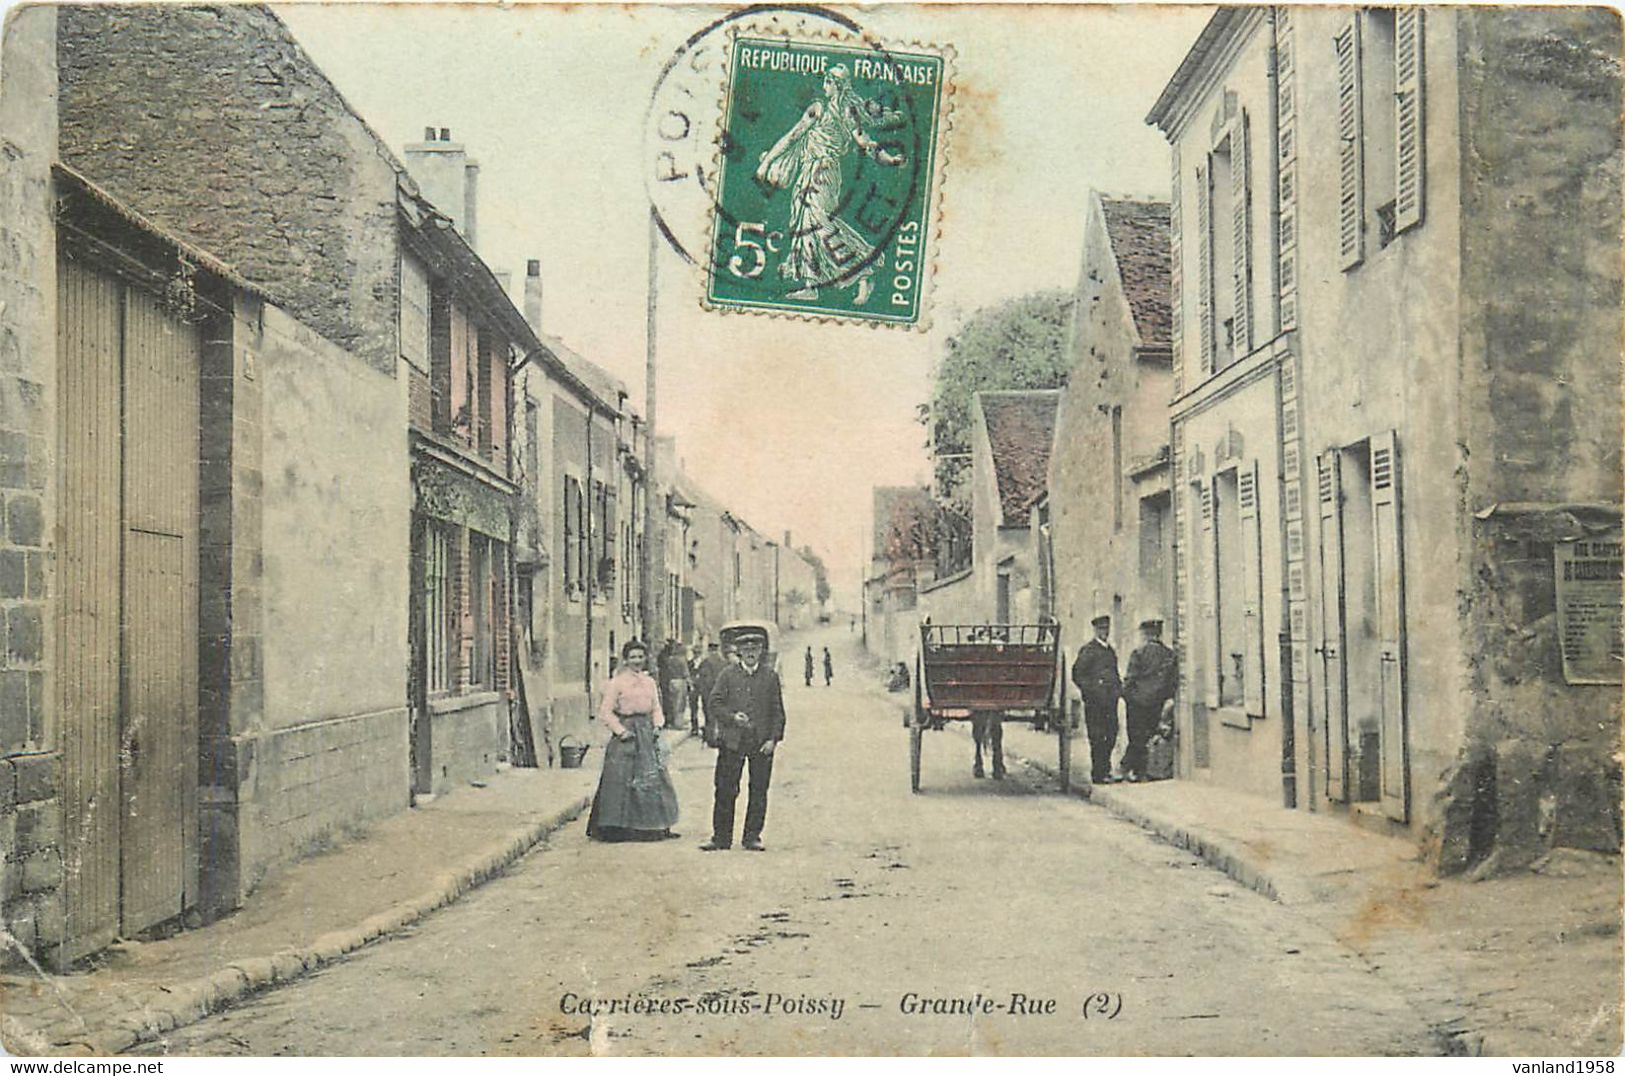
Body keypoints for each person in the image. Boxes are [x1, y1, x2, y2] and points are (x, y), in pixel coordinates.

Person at [755, 64, 906, 304]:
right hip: (808, 171)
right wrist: (767, 162)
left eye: (828, 81)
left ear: (837, 86)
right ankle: (811, 284)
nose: (824, 85)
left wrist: (890, 159)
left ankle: (863, 273)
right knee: (804, 225)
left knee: (820, 222)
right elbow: (793, 136)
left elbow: (865, 143)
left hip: (824, 173)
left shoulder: (845, 112)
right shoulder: (819, 109)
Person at [585, 639, 680, 842]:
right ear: (626, 660)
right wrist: (621, 731)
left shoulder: (650, 682)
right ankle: (618, 828)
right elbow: (605, 711)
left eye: (640, 657)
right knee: (621, 779)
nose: (637, 661)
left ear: (645, 658)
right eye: (633, 657)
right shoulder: (617, 683)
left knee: (653, 778)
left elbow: (656, 707)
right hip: (627, 732)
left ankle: (654, 827)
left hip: (646, 733)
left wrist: (657, 725)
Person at [701, 629, 786, 852]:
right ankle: (721, 838)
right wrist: (732, 717)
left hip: (761, 742)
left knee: (759, 790)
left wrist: (773, 739)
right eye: (746, 649)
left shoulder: (770, 677)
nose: (750, 653)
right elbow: (715, 703)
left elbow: (777, 711)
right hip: (733, 741)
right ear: (738, 651)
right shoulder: (727, 675)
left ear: (761, 651)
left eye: (754, 649)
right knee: (725, 789)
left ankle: (752, 837)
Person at [1121, 619, 1178, 783]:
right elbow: (1172, 681)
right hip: (1158, 703)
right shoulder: (1169, 654)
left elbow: (1130, 679)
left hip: (1138, 703)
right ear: (1159, 634)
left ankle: (1131, 769)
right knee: (1151, 736)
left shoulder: (1139, 653)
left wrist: (1127, 696)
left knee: (1136, 737)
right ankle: (1147, 770)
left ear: (1145, 635)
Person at [1071, 614, 1122, 785]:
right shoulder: (1089, 650)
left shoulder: (1110, 651)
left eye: (1106, 629)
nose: (1104, 632)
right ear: (1095, 630)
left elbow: (1114, 674)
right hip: (1095, 703)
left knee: (1112, 734)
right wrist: (1092, 691)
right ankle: (1099, 774)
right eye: (1101, 629)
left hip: (1110, 702)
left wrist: (1118, 690)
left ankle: (1106, 769)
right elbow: (1077, 674)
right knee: (1097, 737)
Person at [694, 641, 728, 742]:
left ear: (709, 650)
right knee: (720, 713)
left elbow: (704, 678)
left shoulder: (705, 662)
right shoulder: (723, 662)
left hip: (708, 692)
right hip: (721, 692)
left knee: (709, 714)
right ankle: (721, 736)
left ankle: (711, 737)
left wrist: (702, 690)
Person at [659, 640, 691, 735]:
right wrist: (690, 683)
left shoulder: (670, 659)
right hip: (680, 681)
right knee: (680, 704)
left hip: (671, 681)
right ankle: (678, 723)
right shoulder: (682, 660)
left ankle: (671, 721)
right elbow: (685, 673)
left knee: (672, 703)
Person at [687, 646, 703, 733]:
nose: (696, 655)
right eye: (695, 653)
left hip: (703, 687)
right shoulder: (689, 663)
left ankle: (704, 727)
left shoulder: (704, 663)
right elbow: (688, 674)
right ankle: (694, 727)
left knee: (705, 706)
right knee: (693, 707)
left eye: (698, 653)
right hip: (693, 687)